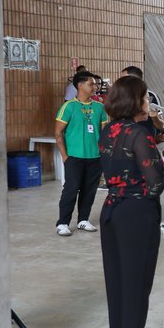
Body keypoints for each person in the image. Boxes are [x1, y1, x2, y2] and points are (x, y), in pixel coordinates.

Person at [98, 75, 164, 328]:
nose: (148, 102)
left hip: (112, 210)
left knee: (117, 284)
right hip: (136, 214)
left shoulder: (108, 131)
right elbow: (155, 184)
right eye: (145, 97)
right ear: (134, 101)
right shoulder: (139, 134)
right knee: (137, 285)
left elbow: (122, 169)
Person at [55, 71, 107, 236]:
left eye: (95, 84)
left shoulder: (99, 107)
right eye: (91, 84)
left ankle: (83, 220)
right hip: (74, 157)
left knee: (89, 190)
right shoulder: (69, 106)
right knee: (71, 189)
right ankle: (63, 223)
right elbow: (58, 133)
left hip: (95, 157)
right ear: (80, 85)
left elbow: (105, 133)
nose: (95, 87)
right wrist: (65, 156)